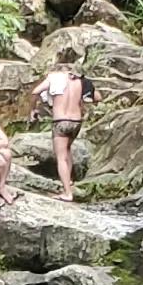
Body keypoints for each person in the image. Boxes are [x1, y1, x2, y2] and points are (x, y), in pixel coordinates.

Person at [36, 46, 88, 199]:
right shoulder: (79, 81)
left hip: (60, 121)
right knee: (67, 150)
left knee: (61, 157)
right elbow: (86, 100)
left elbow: (35, 91)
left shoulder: (54, 77)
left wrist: (33, 109)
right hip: (76, 122)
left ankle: (67, 193)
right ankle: (69, 181)